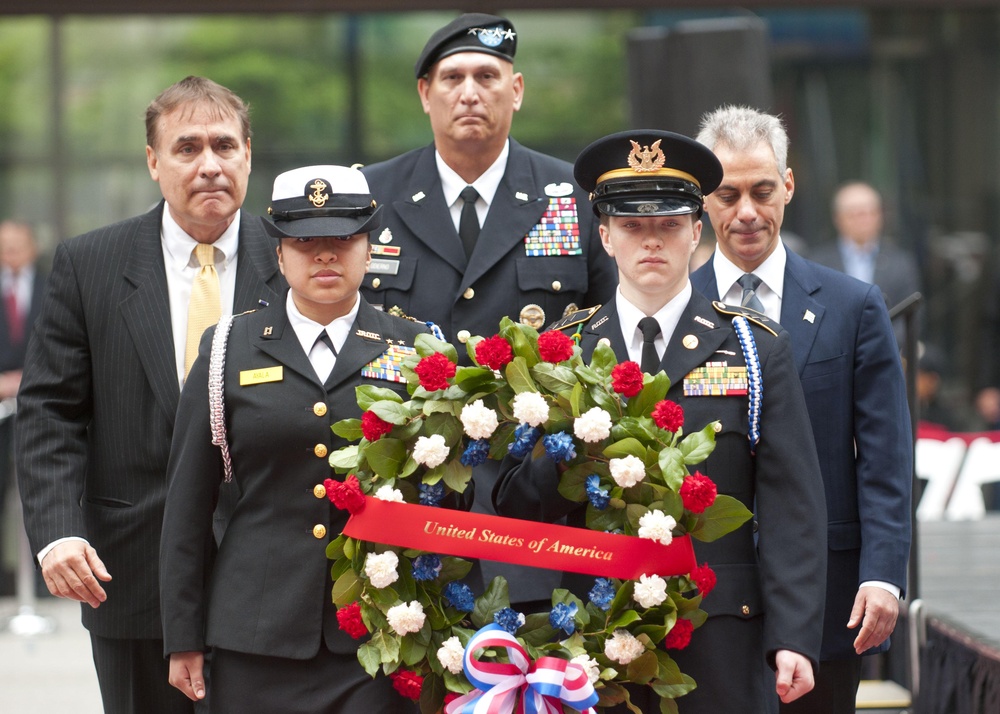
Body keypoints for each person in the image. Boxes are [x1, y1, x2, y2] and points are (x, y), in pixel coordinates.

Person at [493, 129, 828, 712]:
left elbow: (791, 504)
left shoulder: (752, 346)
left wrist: (795, 636)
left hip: (721, 629)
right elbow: (518, 505)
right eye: (632, 226)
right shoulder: (560, 354)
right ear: (605, 236)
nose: (652, 241)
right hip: (590, 634)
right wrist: (564, 443)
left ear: (697, 231)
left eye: (669, 224)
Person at [15, 76, 286, 714]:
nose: (210, 165)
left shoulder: (296, 260)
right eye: (187, 147)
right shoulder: (89, 265)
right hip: (130, 573)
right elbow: (50, 412)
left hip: (274, 575)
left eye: (225, 145)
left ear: (249, 154)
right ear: (153, 161)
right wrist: (57, 533)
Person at [360, 12, 617, 609]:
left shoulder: (573, 197)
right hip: (405, 486)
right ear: (425, 94)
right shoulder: (373, 199)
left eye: (487, 75)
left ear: (517, 89)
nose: (469, 92)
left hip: (537, 488)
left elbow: (608, 336)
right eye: (451, 78)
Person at [160, 165, 426, 713]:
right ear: (278, 254)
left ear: (369, 249)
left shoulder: (417, 348)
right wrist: (182, 636)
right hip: (255, 633)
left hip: (378, 632)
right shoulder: (229, 347)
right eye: (305, 241)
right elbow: (188, 503)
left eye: (343, 238)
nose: (325, 255)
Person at [690, 106, 913, 714]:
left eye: (762, 191)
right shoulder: (675, 316)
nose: (746, 213)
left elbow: (886, 458)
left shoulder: (854, 307)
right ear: (704, 200)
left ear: (788, 186)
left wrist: (883, 574)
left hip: (829, 597)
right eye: (728, 194)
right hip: (706, 599)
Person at [810, 181, 921, 345]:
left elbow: (911, 316)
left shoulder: (901, 263)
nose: (865, 219)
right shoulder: (817, 262)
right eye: (857, 213)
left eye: (871, 212)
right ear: (838, 218)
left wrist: (880, 345)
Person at [0, 220, 46, 594]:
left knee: (39, 490)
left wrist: (24, 380)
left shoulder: (55, 286)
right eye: (4, 245)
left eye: (17, 245)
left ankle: (46, 583)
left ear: (32, 248)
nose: (10, 252)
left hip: (39, 408)